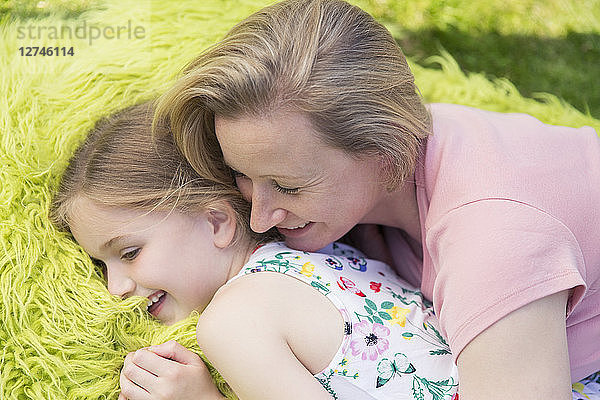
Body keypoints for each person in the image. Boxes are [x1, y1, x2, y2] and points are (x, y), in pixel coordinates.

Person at [152, 0, 600, 399]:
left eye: (288, 186)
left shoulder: (494, 240)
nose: (260, 217)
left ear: (387, 151)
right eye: (242, 176)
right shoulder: (382, 161)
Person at [50, 102, 461, 400]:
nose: (114, 288)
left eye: (130, 252)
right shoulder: (326, 248)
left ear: (216, 221)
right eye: (99, 265)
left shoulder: (234, 319)